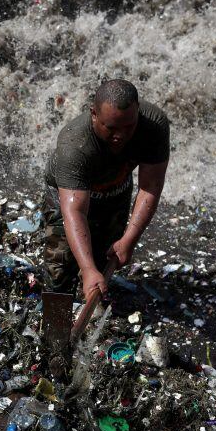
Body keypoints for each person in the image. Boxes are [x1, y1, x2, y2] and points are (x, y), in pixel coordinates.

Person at [42, 79, 170, 301]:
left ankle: (93, 304)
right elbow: (75, 212)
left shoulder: (153, 125)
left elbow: (151, 186)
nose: (120, 136)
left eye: (128, 127)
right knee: (61, 265)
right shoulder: (74, 146)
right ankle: (56, 327)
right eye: (111, 128)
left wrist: (129, 239)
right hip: (70, 193)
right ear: (94, 114)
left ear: (137, 112)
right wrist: (87, 268)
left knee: (106, 254)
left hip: (115, 188)